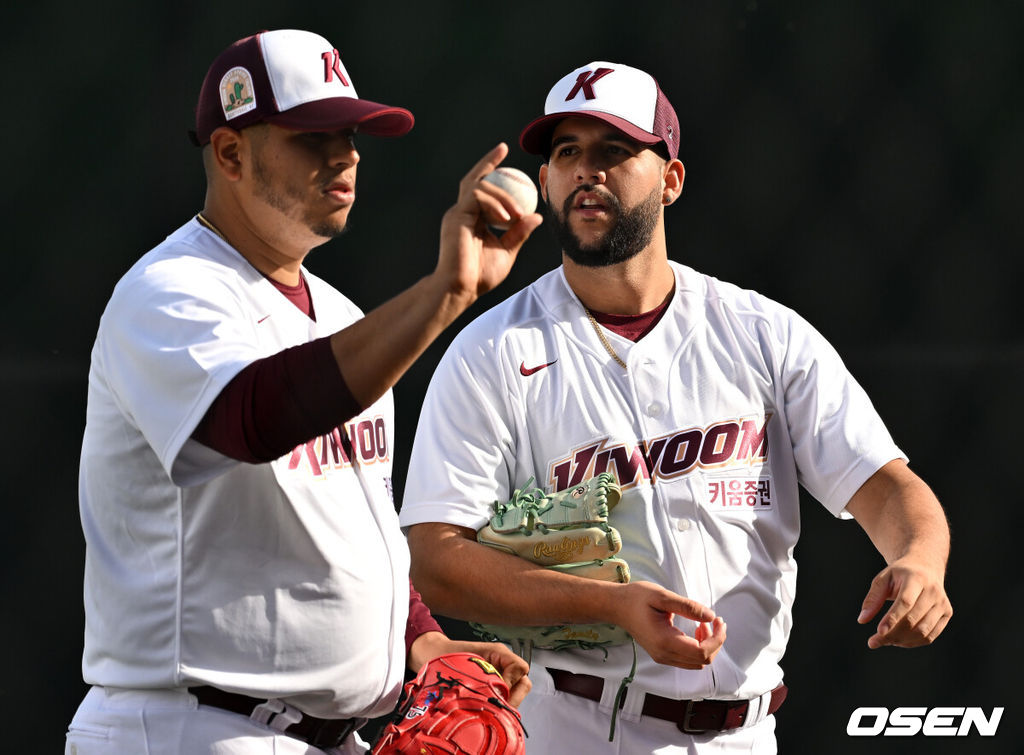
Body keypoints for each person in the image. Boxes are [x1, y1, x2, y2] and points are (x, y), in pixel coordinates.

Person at [398, 61, 953, 753]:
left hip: (744, 734)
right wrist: (610, 605)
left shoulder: (762, 333)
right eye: (567, 153)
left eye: (615, 151)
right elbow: (434, 556)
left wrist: (920, 561)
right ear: (544, 181)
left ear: (671, 179)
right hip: (577, 726)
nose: (586, 172)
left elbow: (888, 485)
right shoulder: (491, 352)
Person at [65, 29, 541, 755]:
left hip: (319, 734)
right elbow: (253, 417)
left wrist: (425, 639)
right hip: (193, 725)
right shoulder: (169, 292)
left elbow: (360, 525)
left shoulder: (344, 316)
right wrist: (443, 297)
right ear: (230, 153)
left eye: (350, 133)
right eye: (314, 136)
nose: (345, 154)